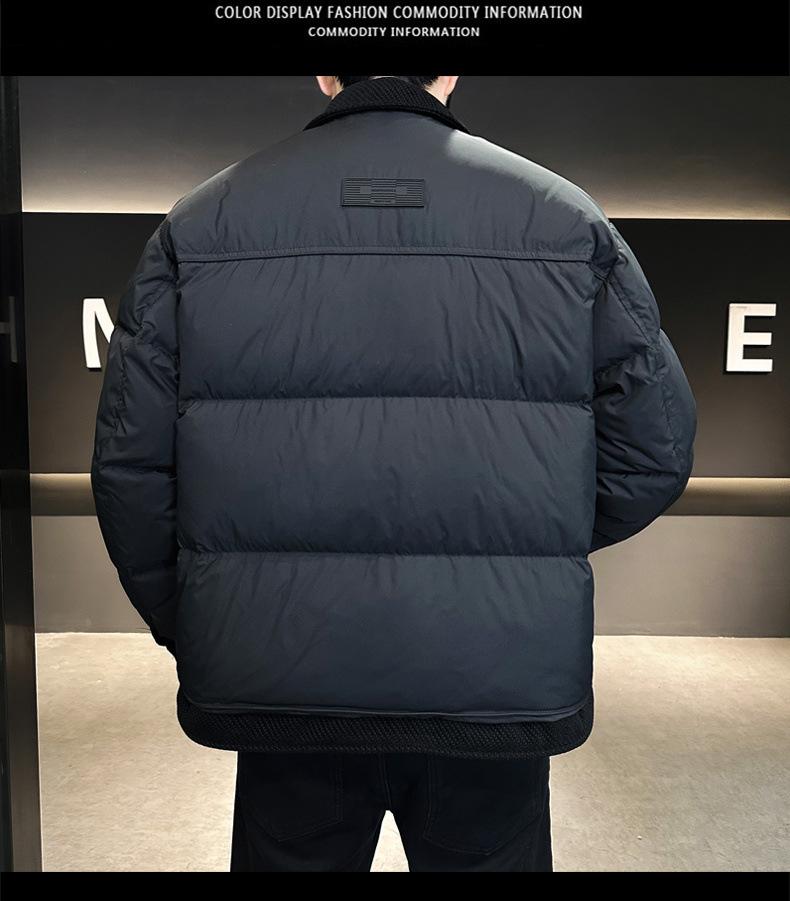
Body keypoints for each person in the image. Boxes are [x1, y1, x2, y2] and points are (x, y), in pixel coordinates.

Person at [91, 75, 696, 872]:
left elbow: (130, 470)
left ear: (325, 72)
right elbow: (656, 450)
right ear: (449, 71)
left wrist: (210, 614)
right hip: (489, 669)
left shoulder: (202, 223)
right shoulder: (565, 219)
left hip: (288, 670)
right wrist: (524, 545)